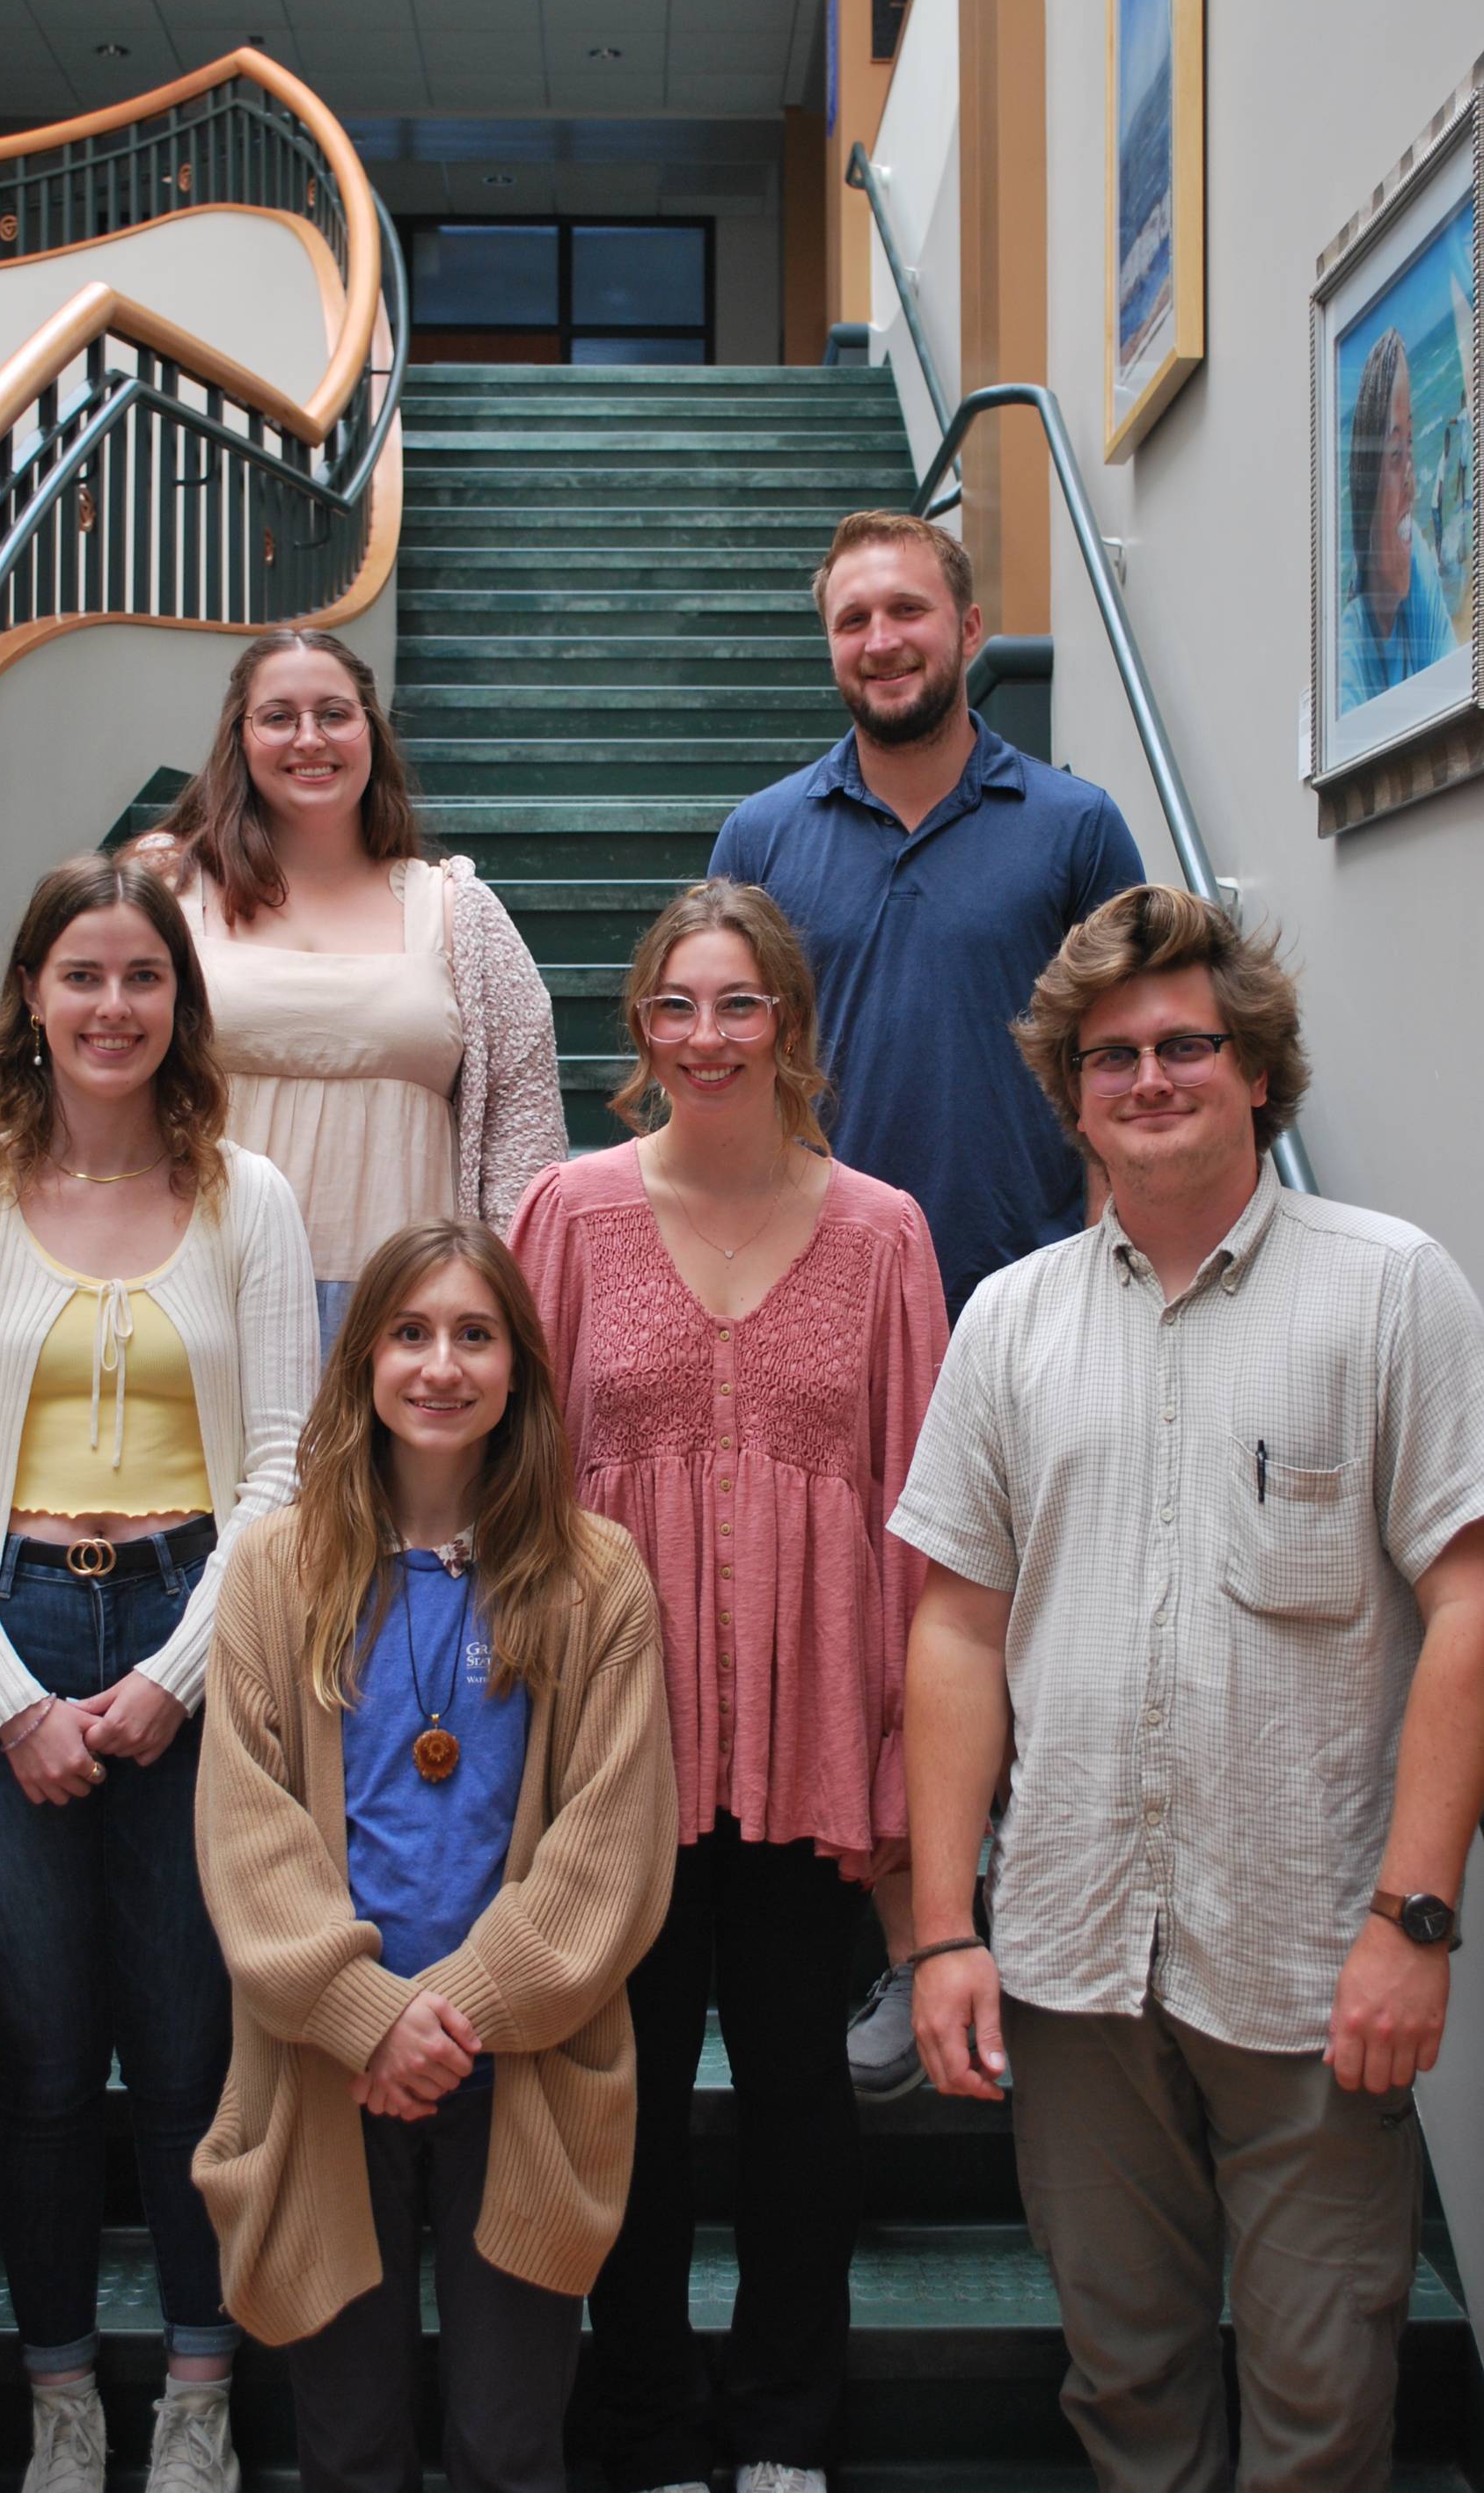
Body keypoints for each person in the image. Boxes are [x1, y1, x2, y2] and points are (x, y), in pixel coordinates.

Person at [893, 883, 1484, 2493]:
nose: (1150, 1077)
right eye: (1111, 1055)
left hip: (1316, 1956)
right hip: (1074, 1956)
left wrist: (1416, 1918)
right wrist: (945, 1928)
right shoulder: (1009, 1319)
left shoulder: (1389, 1288)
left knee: (1324, 2392)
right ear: (1073, 1093)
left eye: (1185, 1044)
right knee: (1127, 2381)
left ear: (1256, 1068)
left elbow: (1476, 1596)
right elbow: (956, 1630)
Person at [0, 852, 318, 2493]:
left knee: (191, 2048)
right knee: (48, 2060)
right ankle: (61, 2395)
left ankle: (200, 2391)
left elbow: (282, 1466)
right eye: (84, 974)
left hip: (196, 1628)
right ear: (33, 996)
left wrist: (178, 1678)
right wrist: (11, 1700)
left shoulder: (248, 1196)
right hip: (8, 1634)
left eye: (144, 975)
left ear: (179, 1003)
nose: (114, 1005)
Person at [508, 880, 947, 2493]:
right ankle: (643, 2423)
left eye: (739, 1002)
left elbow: (923, 1513)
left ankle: (783, 2429)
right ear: (642, 1026)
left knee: (797, 2100)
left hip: (808, 1743)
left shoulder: (886, 1233)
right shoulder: (567, 1214)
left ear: (790, 1023)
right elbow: (512, 1480)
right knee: (615, 2097)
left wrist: (901, 1762)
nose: (707, 1035)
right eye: (677, 1005)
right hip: (614, 1748)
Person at [709, 508, 1144, 2097]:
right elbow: (718, 1054)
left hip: (1022, 1291)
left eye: (907, 611)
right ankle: (915, 1943)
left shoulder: (1075, 826)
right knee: (877, 1639)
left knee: (1037, 1627)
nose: (881, 641)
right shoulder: (765, 833)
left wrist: (1115, 1253)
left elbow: (1131, 1052)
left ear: (968, 627)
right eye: (854, 620)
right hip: (819, 1311)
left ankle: (1039, 1935)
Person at [192, 1219, 676, 2493]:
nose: (441, 1365)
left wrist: (447, 2016)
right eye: (409, 1333)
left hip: (518, 2062)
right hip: (327, 2062)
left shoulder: (596, 1578)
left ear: (519, 1368)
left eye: (475, 1334)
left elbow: (610, 1845)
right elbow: (247, 1829)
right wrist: (367, 2016)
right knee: (349, 2442)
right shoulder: (275, 1569)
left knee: (509, 2443)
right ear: (362, 1359)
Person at [142, 626, 567, 1346]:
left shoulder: (459, 912)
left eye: (335, 714)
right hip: (194, 1301)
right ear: (239, 737)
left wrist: (497, 1318)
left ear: (371, 730)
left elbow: (524, 1151)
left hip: (405, 1322)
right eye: (279, 717)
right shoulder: (166, 892)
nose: (310, 738)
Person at [1339, 328, 1458, 713]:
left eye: (1410, 443)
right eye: (1394, 453)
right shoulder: (1349, 650)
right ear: (1366, 490)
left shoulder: (1417, 560)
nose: (1411, 479)